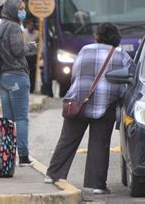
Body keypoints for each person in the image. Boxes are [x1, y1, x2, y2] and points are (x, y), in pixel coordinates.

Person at [44, 23, 134, 194]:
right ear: (116, 38)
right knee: (100, 144)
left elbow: (75, 75)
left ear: (98, 36)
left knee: (67, 140)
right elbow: (130, 78)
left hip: (79, 102)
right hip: (105, 105)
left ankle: (52, 175)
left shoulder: (85, 50)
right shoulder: (121, 55)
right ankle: (96, 185)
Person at [0, 0, 37, 166]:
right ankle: (24, 156)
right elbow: (18, 50)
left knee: (8, 119)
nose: (22, 11)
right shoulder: (13, 27)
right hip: (17, 76)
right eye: (20, 8)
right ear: (13, 9)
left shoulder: (1, 26)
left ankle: (7, 155)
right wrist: (30, 46)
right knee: (21, 119)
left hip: (3, 77)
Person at [23, 19, 39, 93]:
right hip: (25, 55)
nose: (31, 27)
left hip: (33, 56)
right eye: (29, 25)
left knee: (33, 73)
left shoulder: (37, 33)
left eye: (32, 25)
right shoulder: (24, 32)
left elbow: (40, 43)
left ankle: (31, 89)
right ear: (27, 25)